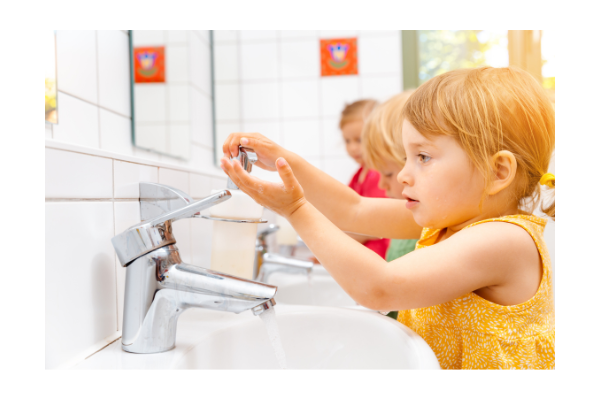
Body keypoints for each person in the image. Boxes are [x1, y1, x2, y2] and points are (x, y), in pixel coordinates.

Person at [221, 67, 555, 370]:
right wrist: (283, 159)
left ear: (498, 172)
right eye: (406, 158)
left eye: (423, 157)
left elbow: (380, 288)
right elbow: (353, 209)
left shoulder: (505, 240)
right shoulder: (448, 221)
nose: (405, 175)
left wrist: (294, 209)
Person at [340, 100, 389, 259]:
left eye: (358, 140)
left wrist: (341, 240)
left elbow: (379, 224)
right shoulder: (359, 174)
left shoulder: (379, 174)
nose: (352, 147)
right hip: (365, 257)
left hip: (380, 257)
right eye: (347, 141)